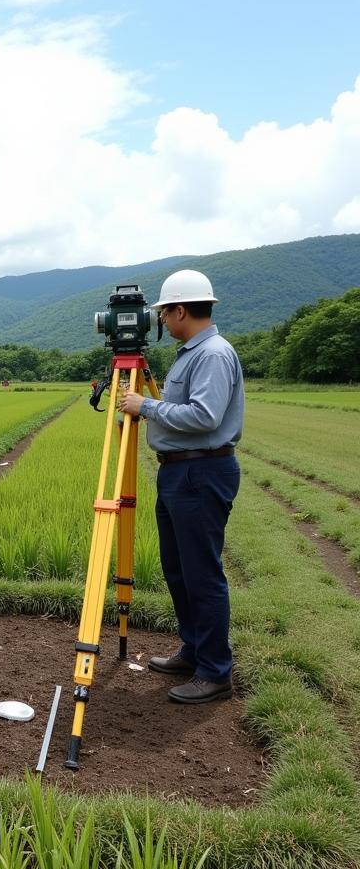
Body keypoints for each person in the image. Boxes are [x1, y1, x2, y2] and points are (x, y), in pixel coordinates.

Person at [118, 270, 245, 704]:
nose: (160, 323)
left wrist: (145, 406)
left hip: (201, 472)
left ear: (180, 309)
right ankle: (194, 650)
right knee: (178, 570)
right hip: (180, 472)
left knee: (202, 576)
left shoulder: (211, 354)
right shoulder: (190, 352)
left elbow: (205, 416)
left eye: (163, 314)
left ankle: (214, 672)